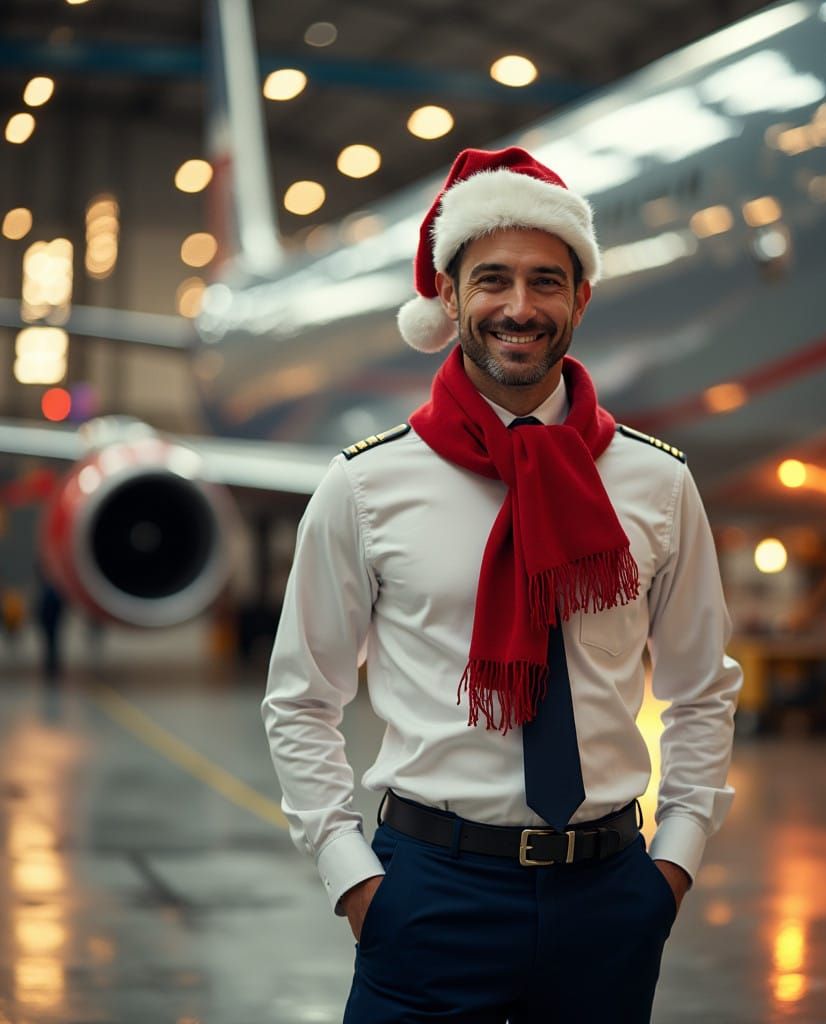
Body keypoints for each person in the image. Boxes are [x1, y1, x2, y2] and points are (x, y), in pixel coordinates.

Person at [263, 147, 742, 1024]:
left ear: (581, 299)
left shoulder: (656, 483)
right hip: (430, 896)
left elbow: (702, 693)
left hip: (609, 897)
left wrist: (670, 869)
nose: (519, 308)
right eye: (491, 281)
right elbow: (301, 699)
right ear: (449, 299)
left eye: (546, 282)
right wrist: (356, 883)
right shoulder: (366, 486)